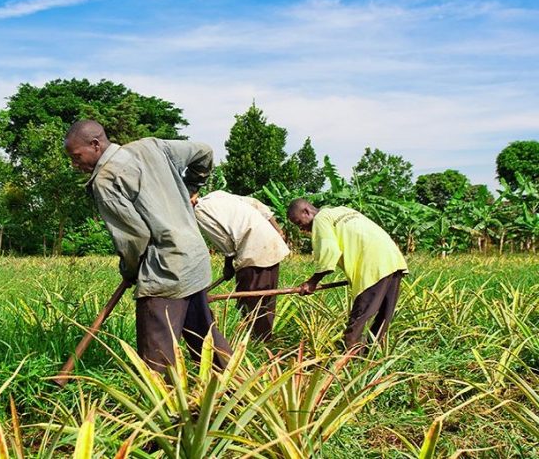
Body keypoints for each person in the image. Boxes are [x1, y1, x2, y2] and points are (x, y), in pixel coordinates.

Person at [64, 120, 233, 373]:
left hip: (165, 270)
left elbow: (134, 238)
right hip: (194, 259)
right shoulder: (152, 147)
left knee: (158, 353)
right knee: (203, 334)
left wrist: (130, 271)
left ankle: (165, 407)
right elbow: (204, 152)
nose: (75, 164)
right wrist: (191, 187)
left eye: (76, 156)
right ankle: (237, 391)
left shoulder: (106, 179)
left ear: (95, 145)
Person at [287, 198, 407, 352]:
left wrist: (312, 282)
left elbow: (329, 252)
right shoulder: (342, 210)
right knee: (383, 318)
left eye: (299, 222)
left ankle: (349, 363)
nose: (301, 228)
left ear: (306, 211)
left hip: (373, 266)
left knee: (356, 324)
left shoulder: (321, 219)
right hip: (393, 260)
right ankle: (371, 359)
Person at [192, 190, 290, 342]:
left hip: (253, 248)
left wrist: (228, 265)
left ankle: (255, 342)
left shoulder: (199, 211)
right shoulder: (217, 195)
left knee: (251, 300)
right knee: (266, 297)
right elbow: (257, 204)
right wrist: (278, 230)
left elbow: (224, 241)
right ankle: (263, 339)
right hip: (271, 241)